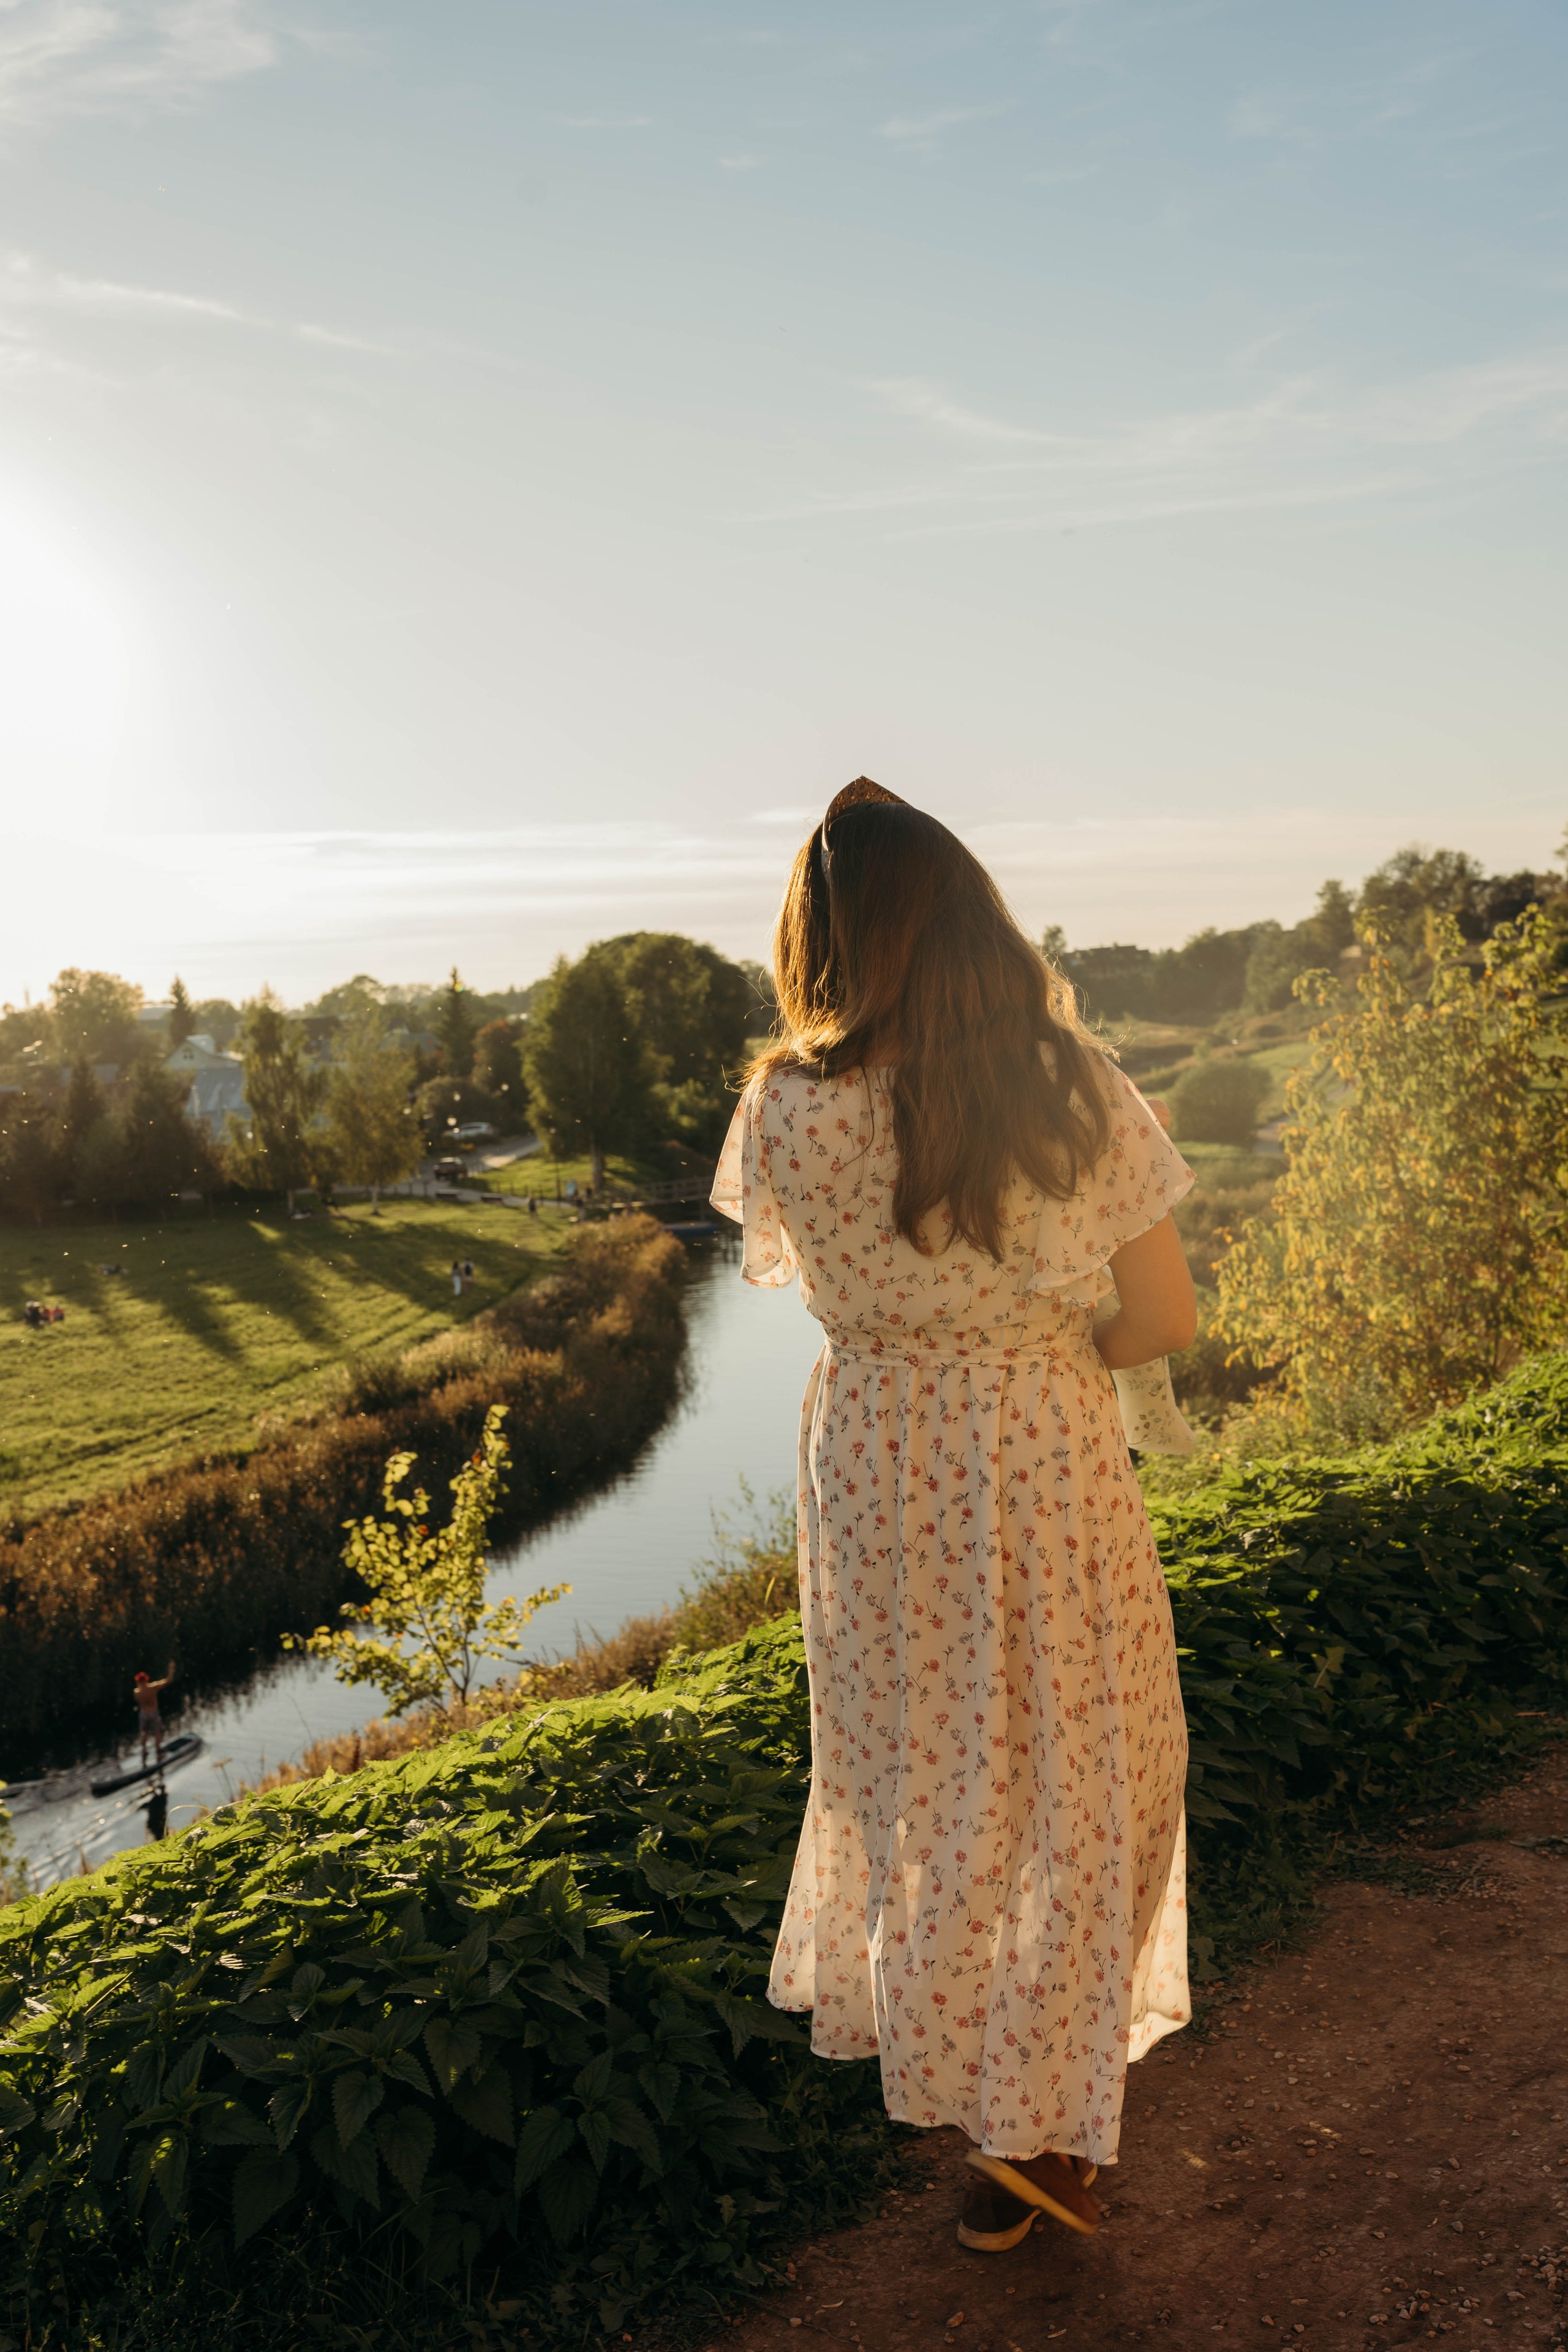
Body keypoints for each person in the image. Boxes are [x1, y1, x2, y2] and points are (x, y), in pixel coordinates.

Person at [710, 780, 1197, 2256]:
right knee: (1091, 1760)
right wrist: (1035, 1357)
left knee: (922, 1770)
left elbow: (812, 1283)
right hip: (1035, 1452)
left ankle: (978, 2084)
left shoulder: (781, 1105)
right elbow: (1159, 1314)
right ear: (974, 914)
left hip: (868, 1462)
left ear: (824, 935)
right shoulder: (1065, 1081)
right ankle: (1035, 2119)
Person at [133, 1660, 176, 1768]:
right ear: (146, 1680)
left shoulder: (136, 1692)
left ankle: (144, 1751)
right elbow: (168, 1680)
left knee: (144, 1732)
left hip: (143, 1714)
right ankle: (159, 1752)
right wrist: (171, 1670)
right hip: (153, 1714)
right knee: (157, 1732)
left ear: (138, 1681)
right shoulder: (153, 1688)